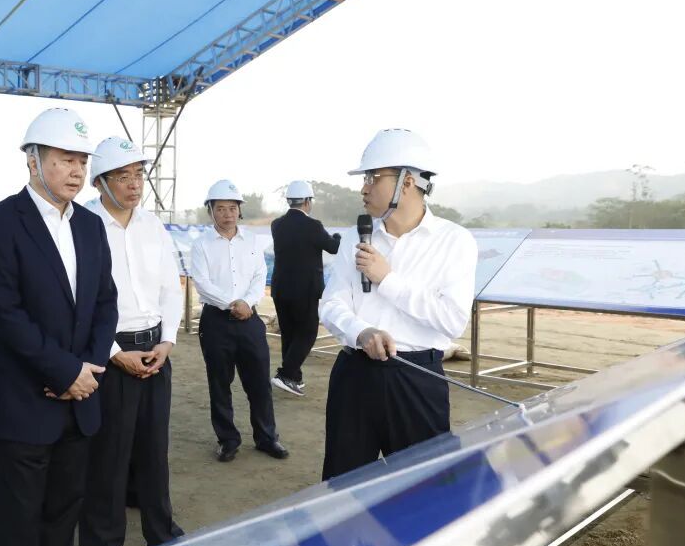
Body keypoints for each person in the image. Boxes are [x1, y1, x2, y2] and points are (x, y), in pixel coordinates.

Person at [0, 108, 118, 546]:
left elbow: (105, 303)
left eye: (82, 161)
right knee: (19, 528)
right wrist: (65, 370)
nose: (77, 171)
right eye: (65, 159)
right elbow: (6, 314)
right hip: (22, 405)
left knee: (62, 520)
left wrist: (87, 371)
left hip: (80, 403)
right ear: (33, 161)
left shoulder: (91, 227)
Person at [319, 129, 477, 480]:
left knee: (424, 487)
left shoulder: (454, 241)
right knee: (343, 486)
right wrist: (361, 332)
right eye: (365, 178)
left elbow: (452, 321)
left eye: (373, 177)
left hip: (416, 378)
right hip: (354, 375)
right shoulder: (355, 236)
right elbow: (331, 304)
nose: (364, 188)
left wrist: (387, 279)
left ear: (407, 181)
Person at [78, 136, 185, 546]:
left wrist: (167, 341)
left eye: (138, 174)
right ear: (100, 182)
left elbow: (170, 287)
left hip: (155, 350)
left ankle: (162, 532)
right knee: (108, 457)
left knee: (154, 450)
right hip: (109, 354)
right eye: (122, 176)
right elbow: (79, 301)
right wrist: (113, 352)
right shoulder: (83, 226)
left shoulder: (152, 226)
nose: (134, 184)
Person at [191, 179, 288, 463]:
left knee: (259, 383)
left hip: (250, 320)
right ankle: (228, 440)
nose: (227, 214)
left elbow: (260, 276)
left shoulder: (252, 242)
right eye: (220, 208)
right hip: (216, 321)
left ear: (239, 210)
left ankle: (267, 438)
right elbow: (202, 282)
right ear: (211, 211)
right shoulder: (202, 244)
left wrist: (247, 302)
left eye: (232, 208)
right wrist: (232, 304)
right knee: (219, 383)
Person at [269, 180, 341, 397]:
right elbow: (333, 247)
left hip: (280, 288)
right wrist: (338, 236)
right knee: (308, 332)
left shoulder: (276, 225)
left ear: (289, 201)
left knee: (289, 334)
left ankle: (294, 378)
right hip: (305, 290)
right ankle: (286, 374)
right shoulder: (313, 226)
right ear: (308, 201)